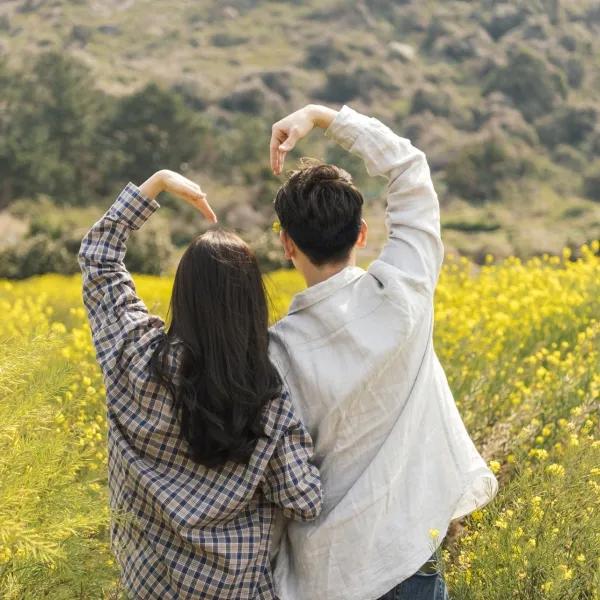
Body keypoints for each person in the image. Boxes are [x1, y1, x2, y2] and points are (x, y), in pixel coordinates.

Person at [267, 104, 499, 600]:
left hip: (324, 575)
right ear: (363, 234)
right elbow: (409, 169)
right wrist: (322, 117)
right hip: (408, 557)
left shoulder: (276, 351)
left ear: (287, 245)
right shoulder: (405, 293)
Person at [77, 169, 322, 600]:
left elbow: (98, 258)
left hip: (145, 586)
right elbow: (303, 499)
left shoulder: (133, 357)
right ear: (250, 303)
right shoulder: (267, 398)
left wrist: (156, 184)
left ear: (183, 293)